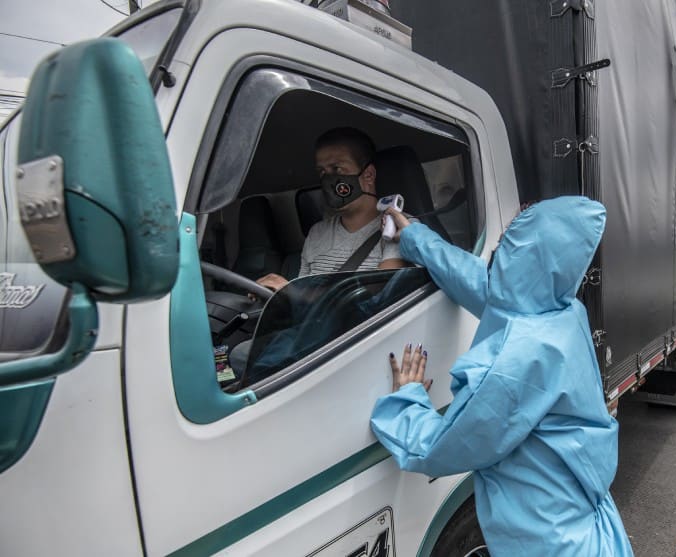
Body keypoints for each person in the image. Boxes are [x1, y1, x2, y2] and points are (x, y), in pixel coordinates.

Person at [370, 197, 634, 556]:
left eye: (510, 238)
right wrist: (414, 236)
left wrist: (406, 401)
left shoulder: (516, 362)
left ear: (524, 254)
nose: (500, 243)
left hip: (549, 543)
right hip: (578, 519)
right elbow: (482, 283)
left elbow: (444, 447)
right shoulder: (562, 311)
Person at [256, 127, 406, 292]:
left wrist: (293, 294)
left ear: (368, 175)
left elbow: (382, 298)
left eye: (337, 169)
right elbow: (304, 293)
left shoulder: (400, 227)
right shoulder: (317, 233)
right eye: (322, 172)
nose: (328, 179)